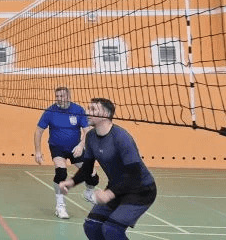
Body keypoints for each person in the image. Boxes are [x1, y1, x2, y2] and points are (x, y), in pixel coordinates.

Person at [59, 98, 158, 240]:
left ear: (105, 114)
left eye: (93, 109)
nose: (87, 112)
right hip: (117, 188)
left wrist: (110, 194)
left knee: (112, 230)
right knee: (92, 226)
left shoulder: (121, 137)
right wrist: (71, 182)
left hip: (140, 190)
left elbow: (134, 174)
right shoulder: (91, 136)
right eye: (88, 108)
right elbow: (87, 168)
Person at [34, 86, 98, 219]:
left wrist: (81, 145)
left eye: (62, 96)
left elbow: (87, 131)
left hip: (76, 148)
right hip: (57, 147)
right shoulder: (50, 111)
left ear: (69, 97)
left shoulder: (78, 110)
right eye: (57, 96)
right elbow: (38, 131)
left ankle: (89, 192)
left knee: (93, 176)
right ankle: (60, 206)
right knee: (61, 173)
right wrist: (38, 151)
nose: (59, 99)